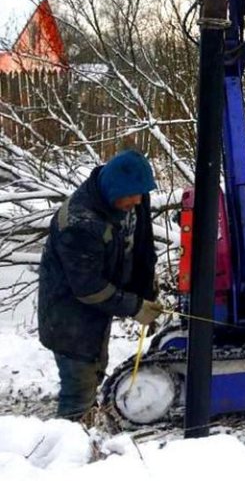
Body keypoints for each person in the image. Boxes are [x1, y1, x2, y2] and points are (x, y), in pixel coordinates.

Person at [38, 149, 163, 421]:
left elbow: (140, 245)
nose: (139, 200)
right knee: (79, 386)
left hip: (96, 311)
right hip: (68, 318)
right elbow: (89, 288)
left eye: (142, 194)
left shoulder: (129, 199)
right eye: (133, 195)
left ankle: (85, 432)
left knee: (94, 371)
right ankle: (69, 446)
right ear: (115, 189)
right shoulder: (79, 224)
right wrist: (135, 306)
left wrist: (144, 288)